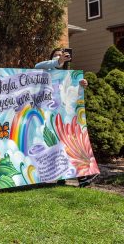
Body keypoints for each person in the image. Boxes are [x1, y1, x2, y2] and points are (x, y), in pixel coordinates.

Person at [36, 48, 93, 187]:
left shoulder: (70, 76)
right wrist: (58, 61)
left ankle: (83, 178)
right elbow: (37, 66)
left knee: (70, 143)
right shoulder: (45, 71)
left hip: (65, 117)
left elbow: (74, 96)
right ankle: (58, 177)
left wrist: (81, 86)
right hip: (47, 115)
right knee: (53, 145)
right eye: (56, 56)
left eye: (62, 56)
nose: (59, 58)